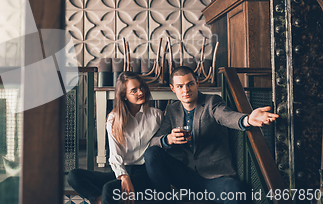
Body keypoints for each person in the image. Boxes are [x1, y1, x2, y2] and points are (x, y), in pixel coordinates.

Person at [144, 66, 279, 204]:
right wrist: (168, 139)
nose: (186, 90)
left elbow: (226, 116)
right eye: (180, 86)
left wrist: (247, 119)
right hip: (188, 175)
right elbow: (154, 143)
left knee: (237, 191)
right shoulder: (173, 109)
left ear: (197, 82)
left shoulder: (212, 102)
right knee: (151, 153)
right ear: (173, 89)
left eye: (190, 84)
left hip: (215, 178)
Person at [68, 71, 163, 204]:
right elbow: (115, 155)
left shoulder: (156, 116)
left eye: (141, 87)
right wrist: (124, 176)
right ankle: (100, 200)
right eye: (134, 90)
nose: (140, 92)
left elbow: (161, 148)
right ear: (124, 96)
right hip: (123, 169)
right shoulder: (114, 119)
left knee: (109, 188)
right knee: (74, 175)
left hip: (145, 172)